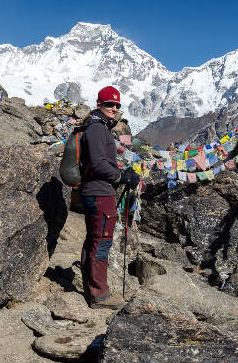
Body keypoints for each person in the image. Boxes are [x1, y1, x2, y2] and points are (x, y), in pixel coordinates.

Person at [79, 86, 140, 309]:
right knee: (101, 242)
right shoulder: (96, 128)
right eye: (109, 104)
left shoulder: (98, 126)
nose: (114, 108)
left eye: (117, 105)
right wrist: (122, 176)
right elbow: (98, 163)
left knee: (94, 240)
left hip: (97, 192)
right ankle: (99, 295)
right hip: (99, 193)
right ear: (99, 105)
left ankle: (91, 288)